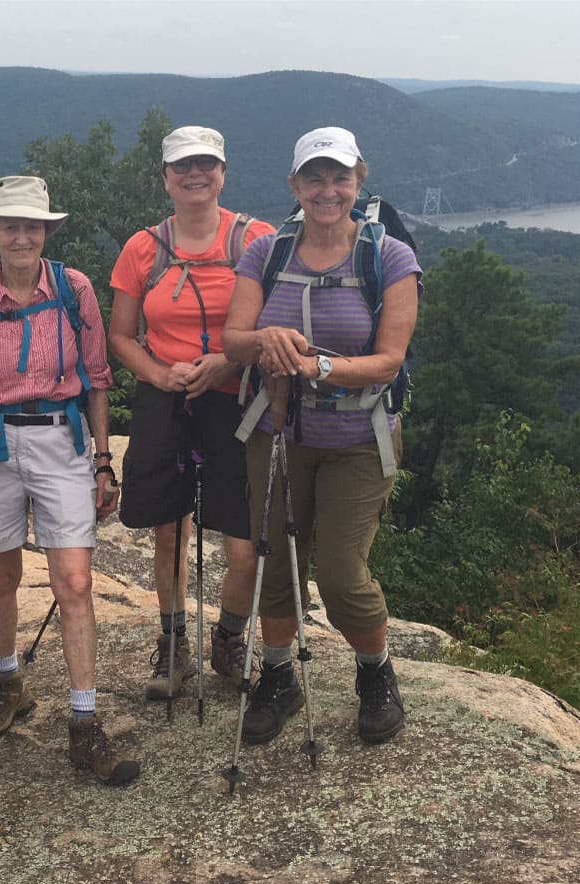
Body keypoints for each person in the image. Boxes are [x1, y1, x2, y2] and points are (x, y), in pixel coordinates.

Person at [222, 126, 421, 745]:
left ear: (359, 181)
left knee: (338, 572)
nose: (327, 190)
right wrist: (265, 341)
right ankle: (279, 677)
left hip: (359, 438)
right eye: (315, 177)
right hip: (278, 430)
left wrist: (317, 366)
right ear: (295, 185)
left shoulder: (386, 257)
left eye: (340, 177)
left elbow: (389, 360)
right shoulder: (267, 254)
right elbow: (232, 341)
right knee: (274, 562)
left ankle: (375, 673)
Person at [0, 175, 139, 786]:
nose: (21, 235)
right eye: (10, 225)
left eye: (31, 226)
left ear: (46, 231)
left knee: (73, 581)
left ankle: (84, 720)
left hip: (61, 438)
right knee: (0, 573)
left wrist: (104, 460)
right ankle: (8, 679)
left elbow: (98, 377)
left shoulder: (74, 289)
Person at [108, 126, 275, 701]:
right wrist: (158, 374)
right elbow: (121, 335)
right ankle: (175, 645)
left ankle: (227, 638)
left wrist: (225, 364)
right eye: (182, 166)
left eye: (206, 164)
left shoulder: (257, 240)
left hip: (238, 399)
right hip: (167, 396)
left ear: (223, 172)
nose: (194, 174)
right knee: (168, 532)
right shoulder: (142, 248)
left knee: (244, 546)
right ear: (165, 179)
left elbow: (274, 327)